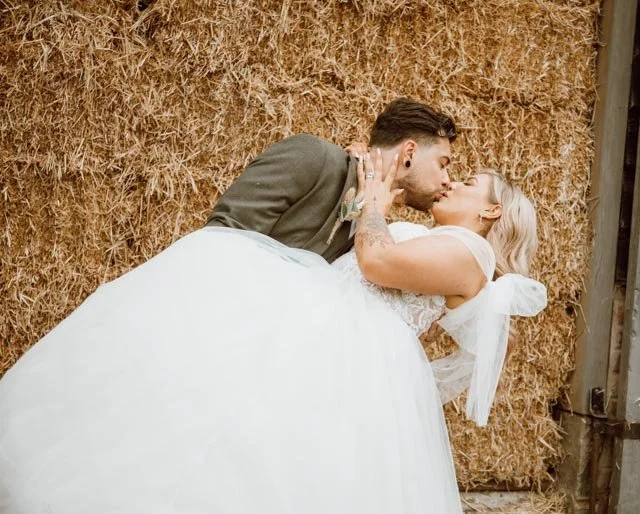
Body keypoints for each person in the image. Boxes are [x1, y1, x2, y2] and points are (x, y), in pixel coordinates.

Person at [0, 147, 546, 513]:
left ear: (492, 210)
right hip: (328, 329)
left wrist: (376, 205)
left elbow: (377, 261)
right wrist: (372, 185)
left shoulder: (470, 255)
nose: (452, 181)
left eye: (468, 181)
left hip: (345, 347)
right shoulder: (445, 245)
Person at [205, 97, 456, 262]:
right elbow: (224, 235)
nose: (447, 180)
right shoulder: (312, 155)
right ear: (409, 152)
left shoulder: (372, 226)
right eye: (442, 164)